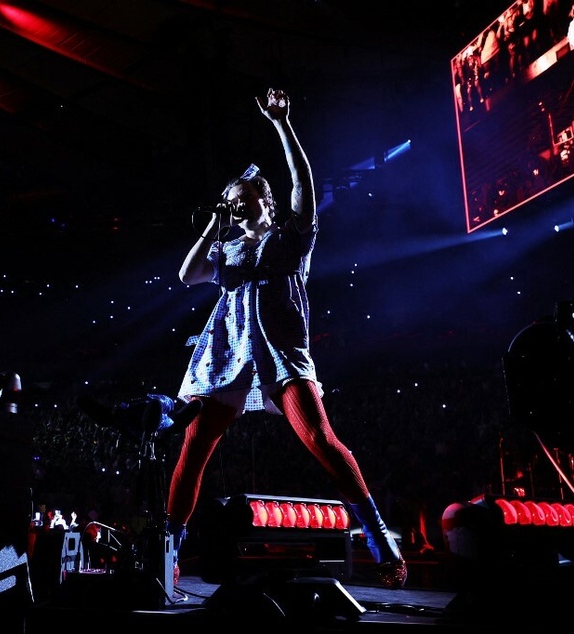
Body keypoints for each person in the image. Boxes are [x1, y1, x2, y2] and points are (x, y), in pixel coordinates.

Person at [164, 87, 407, 590]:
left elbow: (304, 184)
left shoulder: (291, 237)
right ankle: (169, 548)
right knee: (194, 446)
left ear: (263, 198)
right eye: (229, 200)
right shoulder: (227, 246)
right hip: (228, 353)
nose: (232, 204)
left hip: (280, 353)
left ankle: (381, 541)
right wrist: (213, 223)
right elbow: (188, 274)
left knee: (321, 439)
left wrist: (282, 124)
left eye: (239, 197)